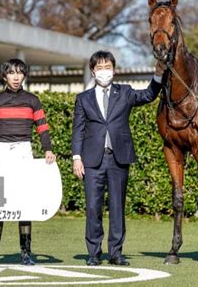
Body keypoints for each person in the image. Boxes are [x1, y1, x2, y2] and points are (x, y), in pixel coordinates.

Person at [72, 50, 165, 266]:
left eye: (108, 67)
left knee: (117, 207)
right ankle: (94, 252)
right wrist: (77, 157)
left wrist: (158, 76)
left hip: (118, 159)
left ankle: (116, 252)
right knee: (93, 208)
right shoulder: (83, 98)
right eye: (100, 68)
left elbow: (149, 95)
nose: (104, 71)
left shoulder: (125, 92)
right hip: (91, 160)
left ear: (114, 70)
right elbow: (78, 130)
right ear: (93, 71)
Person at [0, 58, 56, 266]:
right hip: (2, 151)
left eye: (20, 72)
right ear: (4, 76)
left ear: (24, 75)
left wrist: (48, 149)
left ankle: (26, 252)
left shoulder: (33, 100)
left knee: (25, 204)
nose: (16, 76)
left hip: (24, 151)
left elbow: (43, 128)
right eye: (11, 72)